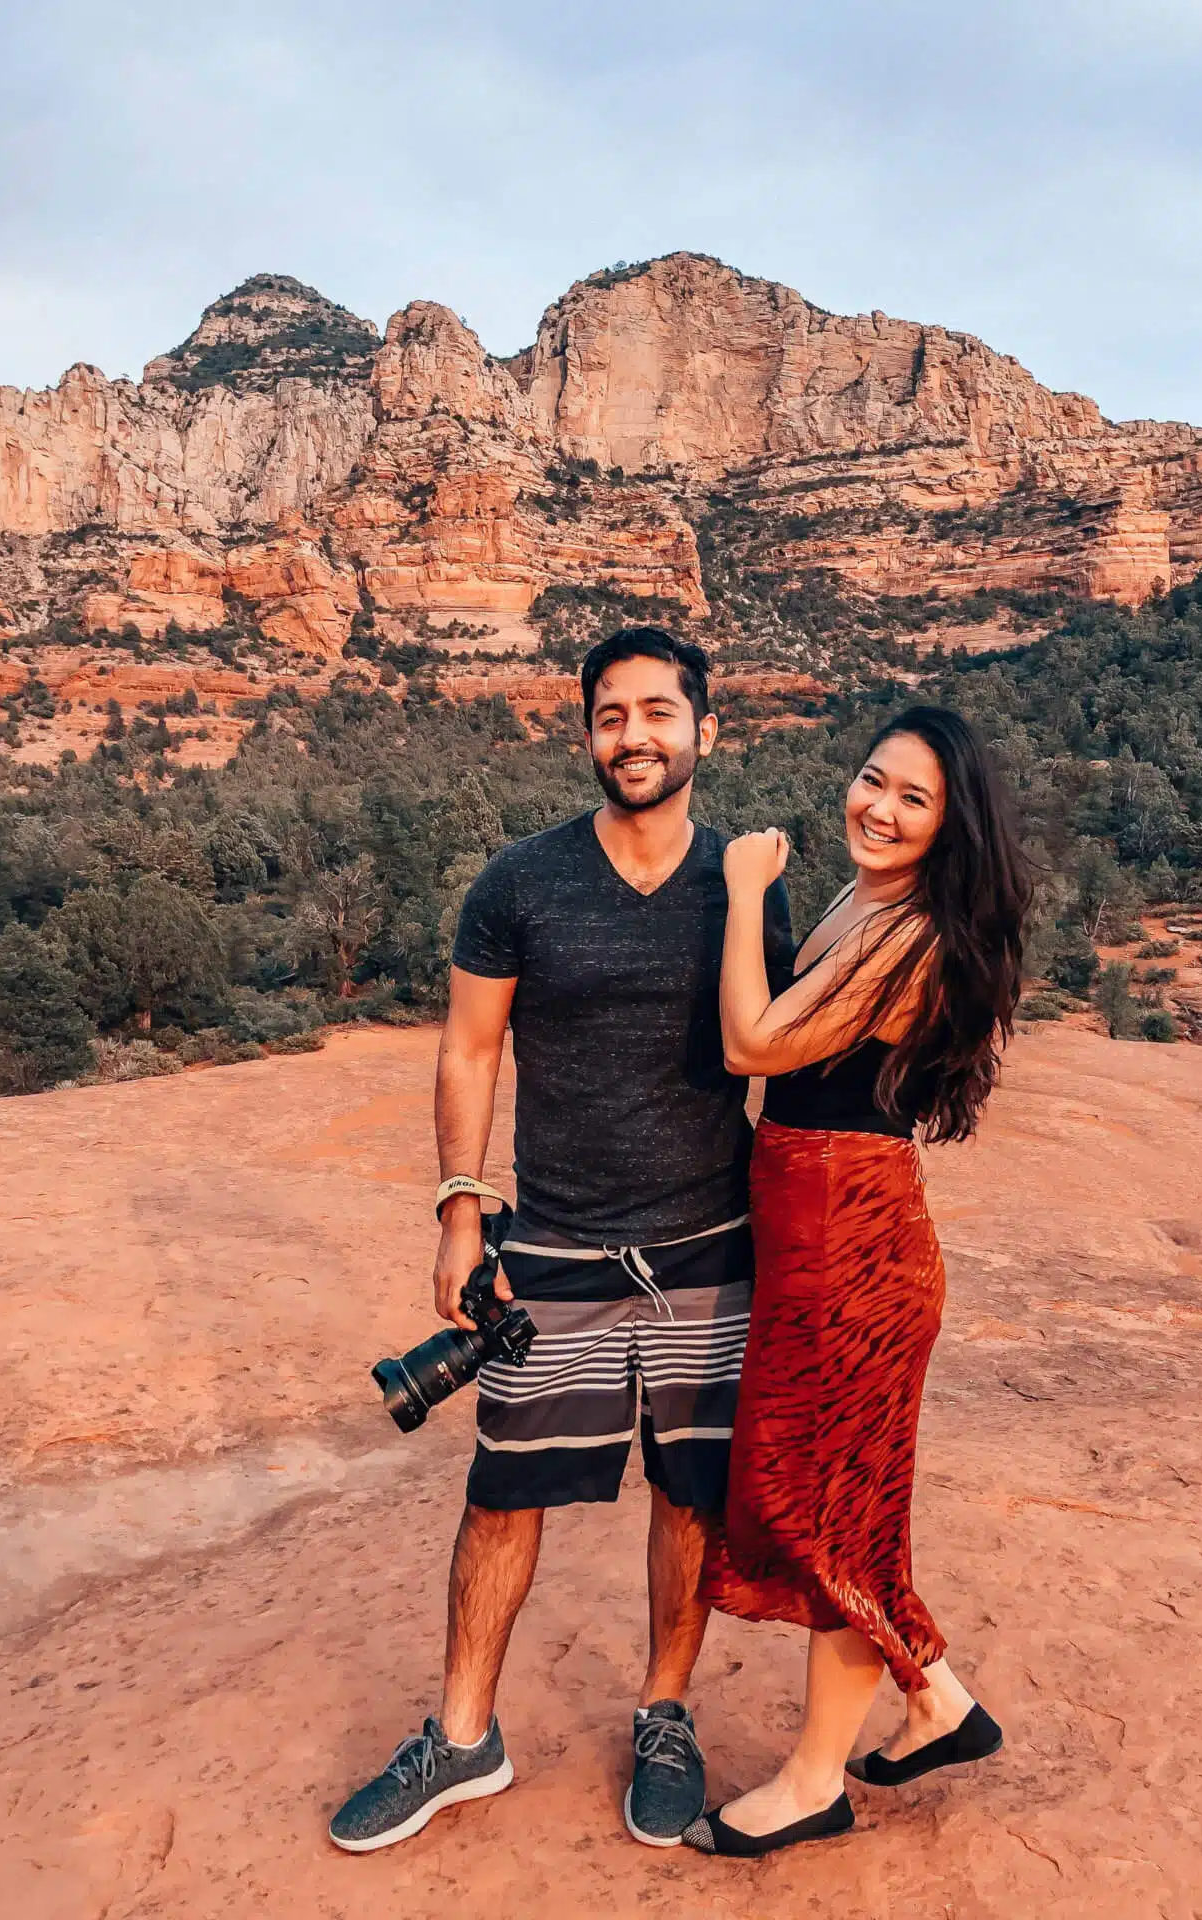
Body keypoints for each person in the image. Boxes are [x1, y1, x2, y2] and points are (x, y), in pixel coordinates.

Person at [329, 628, 791, 1853]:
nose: (634, 736)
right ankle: (462, 1738)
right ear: (587, 733)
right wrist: (459, 1207)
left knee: (690, 1496)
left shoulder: (746, 885)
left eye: (658, 712)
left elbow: (783, 1045)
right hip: (555, 1248)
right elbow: (469, 1047)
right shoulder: (520, 883)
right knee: (503, 1495)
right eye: (611, 715)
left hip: (711, 1249)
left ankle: (664, 1713)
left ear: (703, 729)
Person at [682, 705, 1032, 1859]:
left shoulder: (914, 936)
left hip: (853, 1243)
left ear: (949, 826)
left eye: (912, 799)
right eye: (873, 779)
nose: (878, 808)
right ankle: (936, 1704)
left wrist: (744, 890)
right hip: (818, 1228)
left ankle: (813, 1784)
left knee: (829, 1515)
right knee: (831, 1498)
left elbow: (753, 1047)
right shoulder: (866, 900)